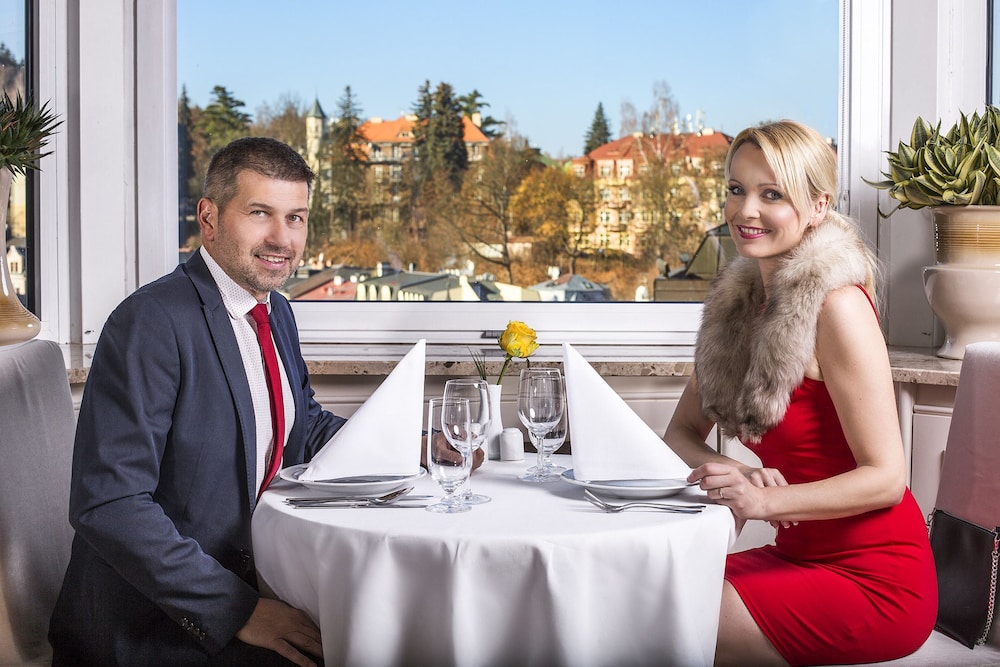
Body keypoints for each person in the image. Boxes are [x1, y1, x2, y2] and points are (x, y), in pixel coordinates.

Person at [51, 136, 403, 666]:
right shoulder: (151, 322)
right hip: (156, 625)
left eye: (296, 218)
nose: (282, 238)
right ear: (209, 218)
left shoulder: (275, 311)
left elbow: (300, 425)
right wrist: (239, 610)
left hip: (256, 579)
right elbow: (110, 504)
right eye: (260, 213)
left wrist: (412, 444)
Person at [664, 121, 937, 666]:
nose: (746, 210)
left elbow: (887, 478)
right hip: (793, 558)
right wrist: (740, 474)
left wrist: (765, 501)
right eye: (736, 189)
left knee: (668, 618)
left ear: (818, 206)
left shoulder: (838, 306)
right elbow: (680, 433)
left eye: (772, 194)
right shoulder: (736, 312)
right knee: (638, 586)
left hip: (875, 579)